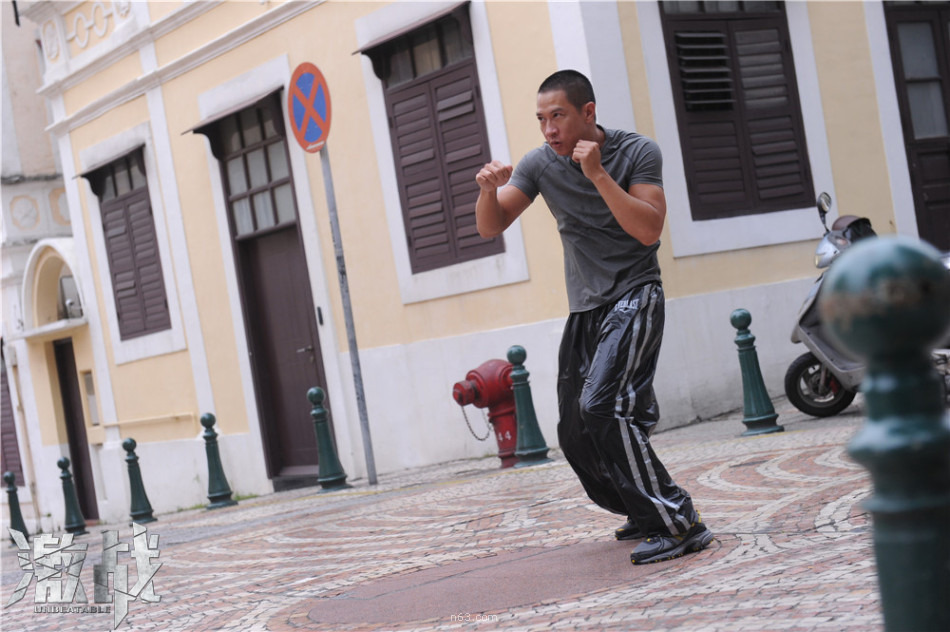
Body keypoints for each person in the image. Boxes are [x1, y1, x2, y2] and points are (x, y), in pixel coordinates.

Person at [474, 69, 713, 564]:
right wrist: (487, 191)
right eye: (541, 119)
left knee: (601, 406)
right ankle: (642, 508)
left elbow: (648, 230)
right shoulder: (539, 164)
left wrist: (598, 174)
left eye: (558, 116)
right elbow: (491, 225)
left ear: (588, 112)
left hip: (635, 293)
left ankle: (678, 521)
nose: (549, 130)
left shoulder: (637, 152)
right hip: (585, 307)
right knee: (575, 429)